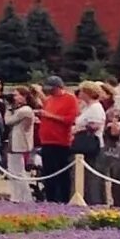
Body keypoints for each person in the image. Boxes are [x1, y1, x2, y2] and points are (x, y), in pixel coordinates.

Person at [34, 74, 81, 205]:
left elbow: (69, 120)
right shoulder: (49, 100)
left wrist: (48, 115)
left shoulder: (70, 99)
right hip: (46, 141)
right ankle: (51, 199)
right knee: (48, 172)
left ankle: (63, 199)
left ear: (59, 87)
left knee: (61, 173)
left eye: (53, 89)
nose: (51, 92)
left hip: (60, 142)